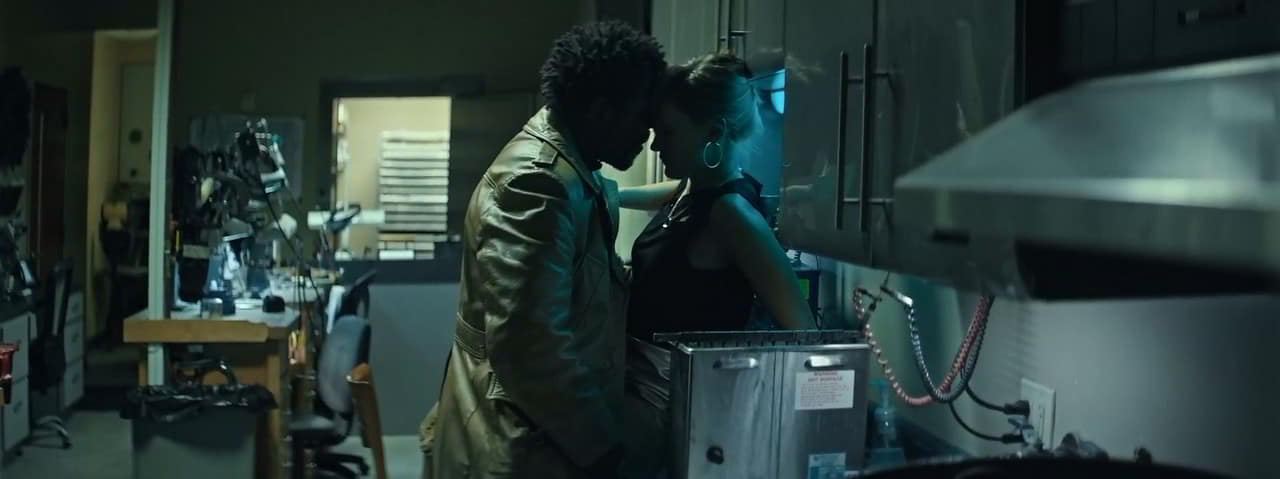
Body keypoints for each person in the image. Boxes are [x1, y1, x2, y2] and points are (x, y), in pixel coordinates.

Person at [423, 21, 666, 478]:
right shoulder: (539, 184)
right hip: (523, 448)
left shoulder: (573, 168)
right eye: (641, 115)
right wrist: (602, 448)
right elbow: (529, 348)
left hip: (538, 441)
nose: (648, 131)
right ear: (601, 111)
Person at [616, 52, 816, 478]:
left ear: (713, 132)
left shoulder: (732, 215)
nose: (656, 145)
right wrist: (607, 195)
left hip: (673, 413)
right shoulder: (696, 189)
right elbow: (672, 192)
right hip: (641, 398)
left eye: (667, 132)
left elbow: (804, 332)